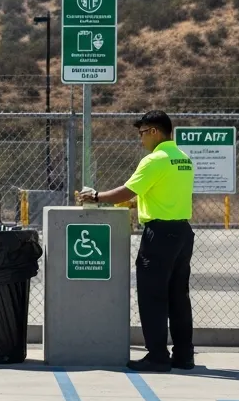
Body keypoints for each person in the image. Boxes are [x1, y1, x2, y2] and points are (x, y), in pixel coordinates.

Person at [76, 110, 195, 373]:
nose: (140, 139)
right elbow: (160, 192)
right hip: (183, 233)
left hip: (160, 234)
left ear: (154, 131)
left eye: (142, 133)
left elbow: (128, 190)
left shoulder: (154, 160)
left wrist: (96, 196)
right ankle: (184, 355)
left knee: (152, 297)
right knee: (178, 297)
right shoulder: (183, 158)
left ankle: (157, 356)